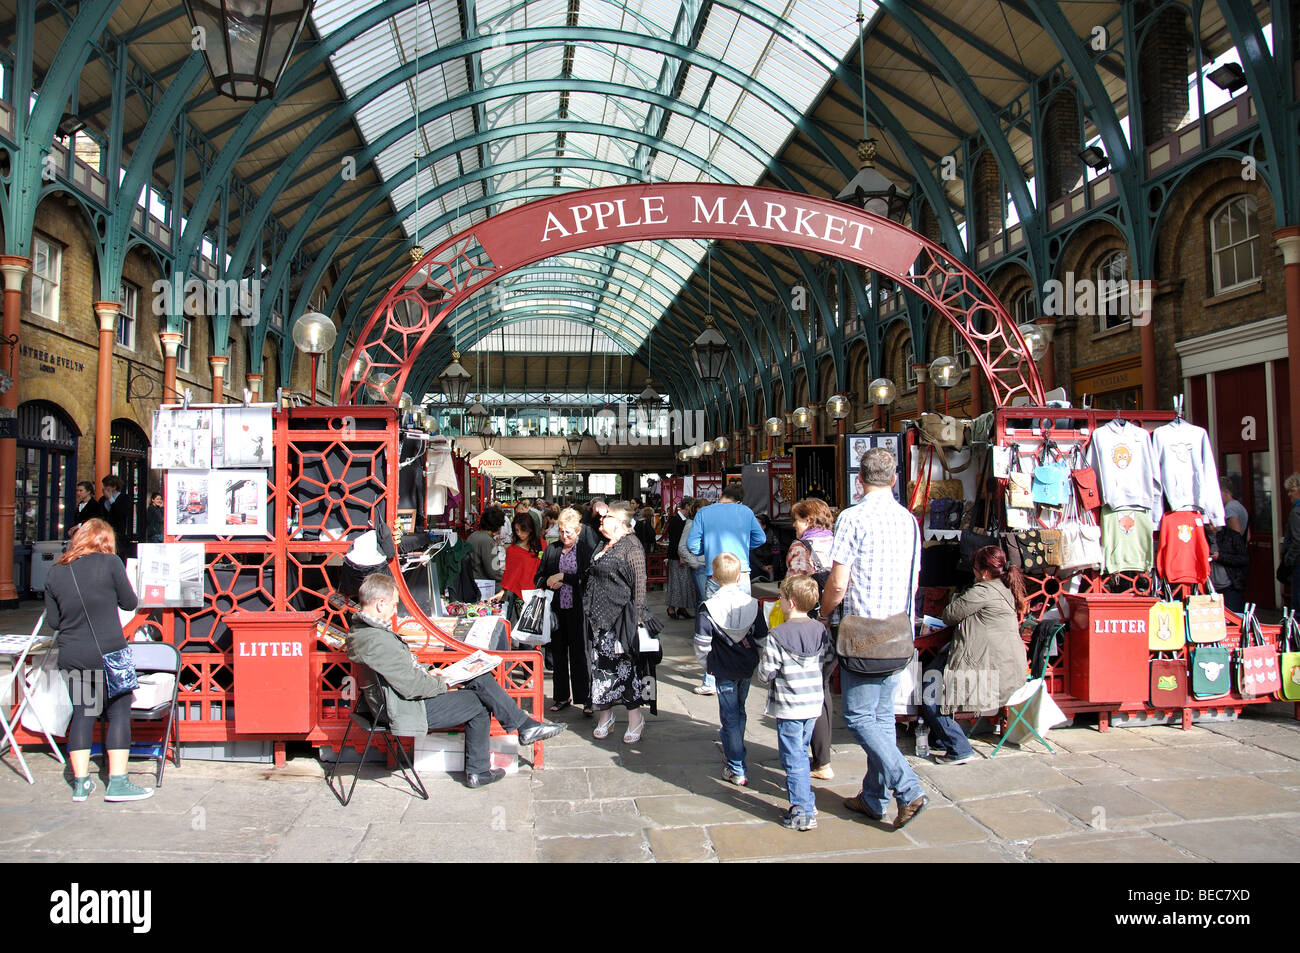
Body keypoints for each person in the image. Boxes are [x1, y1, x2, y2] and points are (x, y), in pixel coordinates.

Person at [346, 573, 564, 788]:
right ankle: (485, 764)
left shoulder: (366, 633)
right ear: (380, 604)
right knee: (478, 701)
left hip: (396, 701)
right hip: (403, 708)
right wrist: (446, 684)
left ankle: (520, 730)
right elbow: (411, 686)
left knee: (478, 678)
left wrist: (431, 671)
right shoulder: (376, 640)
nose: (395, 610)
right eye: (394, 605)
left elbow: (404, 670)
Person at [820, 448, 928, 830]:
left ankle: (909, 788)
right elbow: (915, 579)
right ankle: (873, 797)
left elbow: (837, 582)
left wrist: (823, 612)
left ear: (858, 480)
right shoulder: (909, 520)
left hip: (863, 633)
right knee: (882, 718)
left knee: (859, 716)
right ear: (895, 479)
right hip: (899, 632)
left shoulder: (851, 517)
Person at [43, 518, 151, 802]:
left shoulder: (56, 572)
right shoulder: (111, 563)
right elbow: (129, 602)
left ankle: (81, 784)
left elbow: (54, 622)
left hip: (74, 655)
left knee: (83, 712)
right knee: (118, 711)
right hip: (110, 653)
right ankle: (117, 783)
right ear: (105, 540)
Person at [919, 545, 1030, 765]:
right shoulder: (1004, 588)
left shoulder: (983, 591)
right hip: (1007, 664)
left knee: (929, 693)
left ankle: (958, 748)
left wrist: (959, 596)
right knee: (935, 672)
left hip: (988, 666)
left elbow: (949, 615)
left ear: (984, 572)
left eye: (975, 568)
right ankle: (941, 738)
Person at [756, 574, 831, 831]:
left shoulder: (777, 635)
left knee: (794, 756)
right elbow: (828, 659)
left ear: (792, 602)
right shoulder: (820, 629)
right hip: (813, 703)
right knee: (800, 751)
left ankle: (802, 810)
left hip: (789, 704)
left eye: (782, 598)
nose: (780, 601)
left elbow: (767, 671)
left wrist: (765, 674)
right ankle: (807, 799)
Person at [695, 553, 767, 787]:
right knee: (740, 709)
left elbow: (702, 644)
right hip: (746, 665)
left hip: (723, 667)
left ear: (714, 577)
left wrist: (708, 664)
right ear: (739, 577)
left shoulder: (708, 608)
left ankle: (736, 765)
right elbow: (761, 638)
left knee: (729, 714)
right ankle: (735, 749)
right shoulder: (752, 604)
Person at [584, 501, 652, 743]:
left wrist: (639, 617)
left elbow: (640, 582)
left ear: (621, 523)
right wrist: (600, 511)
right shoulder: (604, 543)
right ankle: (606, 716)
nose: (603, 520)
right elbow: (591, 522)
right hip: (598, 618)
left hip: (621, 618)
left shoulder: (631, 545)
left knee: (626, 668)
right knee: (601, 668)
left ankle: (635, 718)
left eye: (608, 517)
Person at [785, 497, 837, 780]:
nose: (794, 525)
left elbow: (793, 589)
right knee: (824, 686)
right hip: (835, 623)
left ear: (807, 520)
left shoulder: (800, 548)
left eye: (797, 519)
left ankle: (819, 760)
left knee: (808, 690)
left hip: (808, 625)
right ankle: (822, 758)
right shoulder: (836, 542)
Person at [536, 508, 591, 714]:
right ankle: (561, 696)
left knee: (581, 653)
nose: (564, 536)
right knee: (558, 654)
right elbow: (539, 577)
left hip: (578, 610)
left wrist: (563, 577)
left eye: (568, 532)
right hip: (557, 610)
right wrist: (549, 581)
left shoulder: (585, 550)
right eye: (561, 531)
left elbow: (587, 579)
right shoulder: (552, 550)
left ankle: (585, 697)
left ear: (577, 531)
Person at [686, 482, 766, 598]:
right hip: (740, 571)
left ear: (720, 495)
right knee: (742, 612)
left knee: (715, 613)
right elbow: (760, 538)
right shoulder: (746, 511)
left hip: (715, 570)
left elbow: (691, 544)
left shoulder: (703, 512)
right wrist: (744, 545)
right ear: (739, 502)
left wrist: (706, 549)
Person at [495, 512, 542, 625]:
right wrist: (503, 591)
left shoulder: (542, 545)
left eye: (522, 530)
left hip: (540, 593)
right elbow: (510, 573)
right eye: (516, 530)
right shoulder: (512, 550)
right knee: (525, 627)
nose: (520, 533)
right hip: (521, 596)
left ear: (530, 528)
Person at [665, 497, 695, 620]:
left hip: (680, 555)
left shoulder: (682, 520)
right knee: (676, 583)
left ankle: (681, 607)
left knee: (683, 583)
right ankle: (672, 607)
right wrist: (681, 556)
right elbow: (675, 540)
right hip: (677, 557)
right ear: (687, 506)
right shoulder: (676, 520)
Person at [467, 507, 507, 597]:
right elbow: (493, 572)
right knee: (508, 590)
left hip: (473, 580)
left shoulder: (474, 535)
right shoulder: (486, 540)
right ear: (497, 526)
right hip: (481, 583)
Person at [1211, 522, 1250, 613]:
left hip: (1230, 587)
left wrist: (1221, 557)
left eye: (1211, 524)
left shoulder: (1232, 536)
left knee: (1234, 617)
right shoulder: (1201, 535)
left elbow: (1243, 559)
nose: (1210, 527)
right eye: (1206, 524)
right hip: (1208, 588)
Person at [100, 474, 131, 560]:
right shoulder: (102, 500)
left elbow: (121, 514)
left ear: (114, 487)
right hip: (105, 533)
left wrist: (111, 499)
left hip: (119, 533)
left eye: (106, 486)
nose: (104, 488)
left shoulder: (124, 498)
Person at [1282, 474, 1300, 611]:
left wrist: (1288, 561)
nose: (1289, 495)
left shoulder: (1296, 512)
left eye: (1291, 491)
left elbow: (1297, 540)